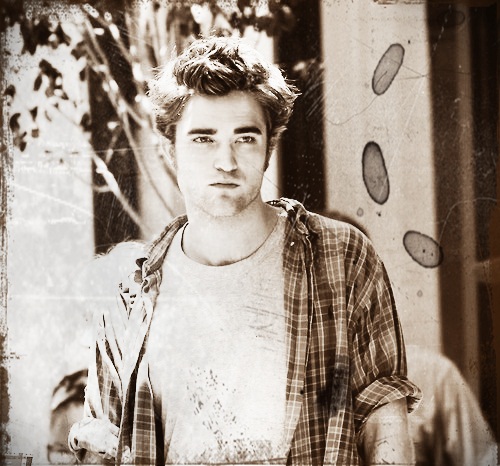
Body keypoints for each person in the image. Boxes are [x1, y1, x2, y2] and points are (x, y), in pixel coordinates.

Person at [68, 36, 421, 465]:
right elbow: (102, 446)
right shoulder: (130, 293)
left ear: (269, 149)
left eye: (245, 138)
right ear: (169, 151)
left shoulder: (340, 257)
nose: (226, 161)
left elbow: (385, 429)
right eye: (203, 139)